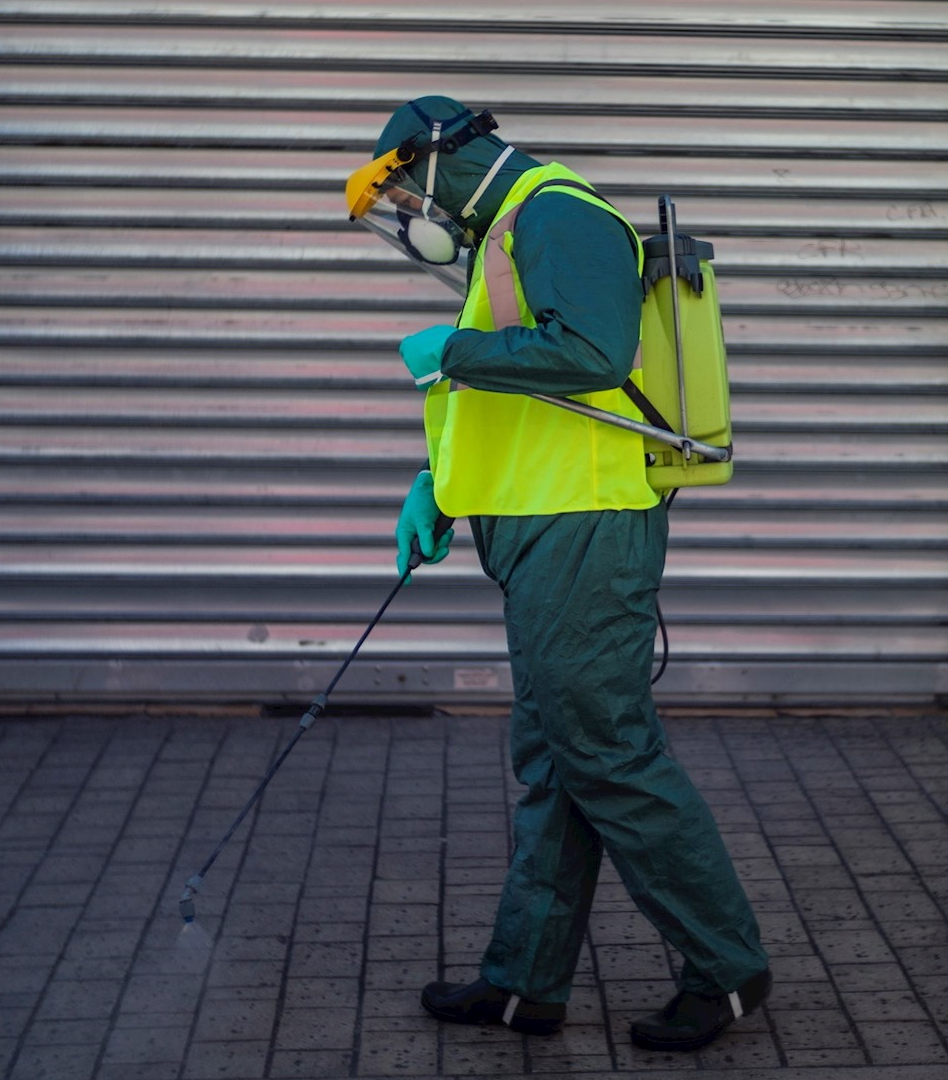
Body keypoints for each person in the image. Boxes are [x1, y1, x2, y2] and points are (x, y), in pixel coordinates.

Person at [345, 96, 771, 1053]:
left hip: (585, 531)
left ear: (444, 156)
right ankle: (524, 985)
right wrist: (440, 490)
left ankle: (728, 968)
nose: (411, 209)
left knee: (608, 753)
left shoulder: (559, 215)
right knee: (556, 763)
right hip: (542, 530)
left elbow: (590, 353)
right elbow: (515, 406)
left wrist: (448, 350)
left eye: (406, 185)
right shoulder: (509, 232)